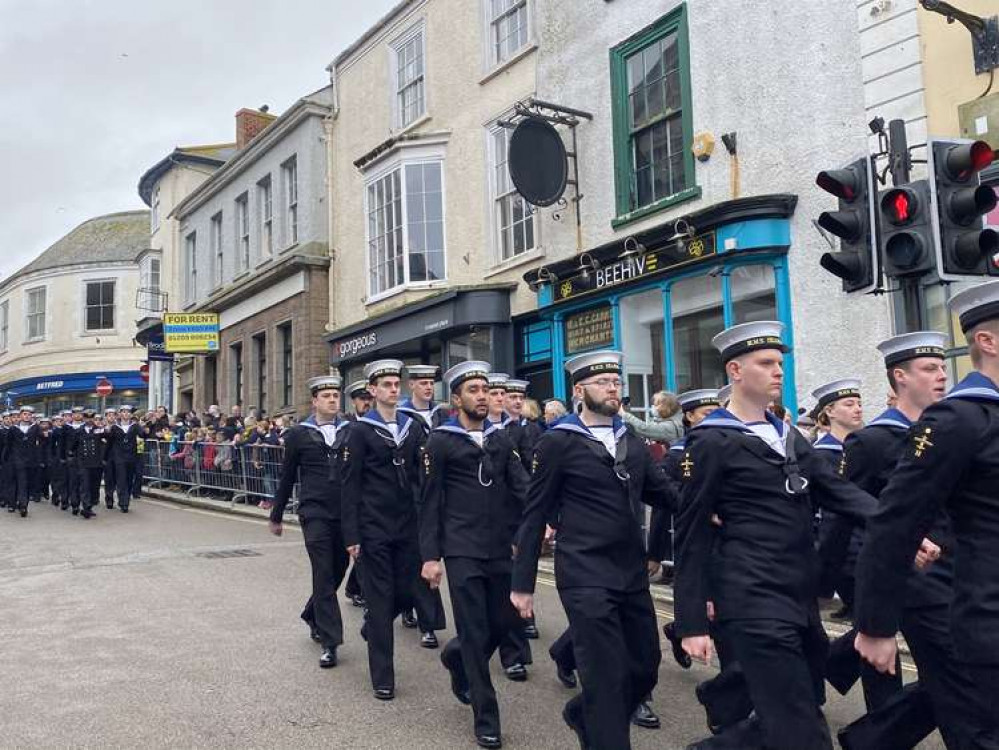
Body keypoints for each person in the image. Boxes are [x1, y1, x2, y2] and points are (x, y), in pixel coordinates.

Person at [675, 321, 878, 750]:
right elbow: (691, 533)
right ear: (735, 370)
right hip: (750, 597)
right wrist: (692, 622)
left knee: (792, 706)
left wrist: (900, 527)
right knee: (798, 724)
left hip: (798, 596)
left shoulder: (786, 435)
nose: (778, 371)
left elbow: (837, 491)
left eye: (780, 364)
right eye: (766, 363)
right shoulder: (711, 441)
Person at [511, 350, 677, 750]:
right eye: (604, 382)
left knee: (645, 666)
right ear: (580, 390)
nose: (613, 388)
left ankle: (581, 712)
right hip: (583, 571)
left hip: (630, 570)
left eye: (617, 382)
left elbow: (665, 494)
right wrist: (523, 583)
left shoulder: (631, 440)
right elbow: (535, 512)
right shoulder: (558, 442)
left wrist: (713, 509)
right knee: (604, 673)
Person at [855, 286, 999, 744]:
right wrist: (875, 625)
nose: (938, 375)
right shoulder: (958, 420)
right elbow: (895, 521)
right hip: (988, 620)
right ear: (987, 342)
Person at [421, 360, 528, 749]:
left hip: (500, 546)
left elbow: (522, 486)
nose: (482, 396)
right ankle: (486, 717)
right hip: (462, 548)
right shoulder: (440, 441)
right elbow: (430, 502)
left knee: (506, 621)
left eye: (485, 389)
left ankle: (456, 657)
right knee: (474, 628)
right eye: (473, 391)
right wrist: (431, 557)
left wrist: (546, 518)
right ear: (456, 399)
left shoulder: (500, 439)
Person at [341, 359, 424, 701]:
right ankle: (383, 677)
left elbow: (423, 477)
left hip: (408, 526)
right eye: (386, 385)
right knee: (379, 596)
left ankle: (373, 626)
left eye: (395, 384)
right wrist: (352, 536)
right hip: (374, 528)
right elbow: (349, 486)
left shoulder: (413, 426)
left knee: (408, 592)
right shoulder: (360, 431)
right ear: (372, 392)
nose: (393, 389)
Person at [270, 375, 350, 669]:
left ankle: (311, 613)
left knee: (340, 568)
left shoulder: (351, 430)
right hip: (314, 512)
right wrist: (276, 515)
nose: (332, 399)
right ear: (315, 401)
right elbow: (288, 476)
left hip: (346, 513)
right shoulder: (298, 435)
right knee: (323, 571)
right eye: (326, 395)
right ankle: (331, 642)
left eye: (335, 395)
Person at [396, 364, 448, 648]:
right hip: (414, 495)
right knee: (420, 556)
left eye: (431, 382)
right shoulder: (403, 417)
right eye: (423, 382)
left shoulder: (443, 415)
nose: (429, 387)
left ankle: (410, 604)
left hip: (443, 495)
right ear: (411, 386)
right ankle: (428, 622)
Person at [810, 379, 865, 623]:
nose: (858, 409)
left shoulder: (866, 445)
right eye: (849, 404)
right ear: (829, 412)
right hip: (844, 544)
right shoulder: (822, 453)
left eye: (859, 404)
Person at [342, 379, 371, 609]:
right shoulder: (348, 427)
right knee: (361, 550)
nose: (367, 403)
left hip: (375, 499)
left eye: (369, 398)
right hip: (357, 496)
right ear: (354, 402)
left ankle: (354, 587)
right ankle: (361, 590)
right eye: (363, 399)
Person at [7, 406, 42, 517]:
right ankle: (23, 506)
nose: (27, 416)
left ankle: (23, 503)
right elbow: (9, 445)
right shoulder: (13, 429)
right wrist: (8, 459)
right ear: (20, 415)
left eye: (29, 414)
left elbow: (42, 441)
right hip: (18, 460)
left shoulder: (35, 427)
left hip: (31, 460)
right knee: (22, 482)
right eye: (25, 414)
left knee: (28, 483)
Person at [619, 390, 684, 444]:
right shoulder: (662, 421)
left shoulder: (671, 426)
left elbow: (644, 428)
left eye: (656, 405)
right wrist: (627, 411)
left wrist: (624, 414)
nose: (653, 407)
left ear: (665, 408)